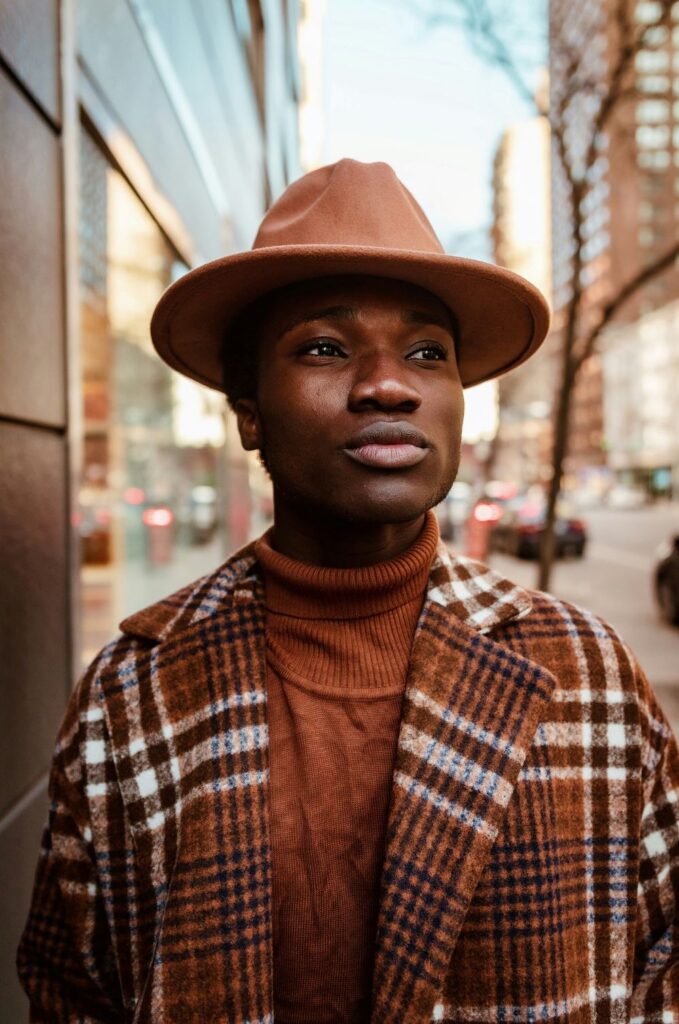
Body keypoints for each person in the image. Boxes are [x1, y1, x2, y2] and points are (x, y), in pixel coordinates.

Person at [18, 159, 679, 1023]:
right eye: (326, 349)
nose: (389, 385)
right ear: (248, 412)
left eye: (425, 353)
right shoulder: (132, 689)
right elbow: (71, 992)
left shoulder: (584, 670)